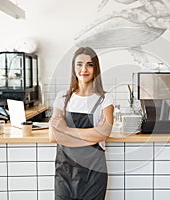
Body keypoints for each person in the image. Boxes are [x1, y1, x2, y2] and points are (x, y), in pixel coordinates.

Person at [49, 47, 114, 200]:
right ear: (73, 67)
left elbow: (104, 133)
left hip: (94, 173)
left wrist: (65, 130)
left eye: (90, 64)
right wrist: (92, 135)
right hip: (65, 172)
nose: (84, 69)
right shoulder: (62, 98)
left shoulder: (105, 99)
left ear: (95, 68)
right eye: (79, 64)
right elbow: (53, 136)